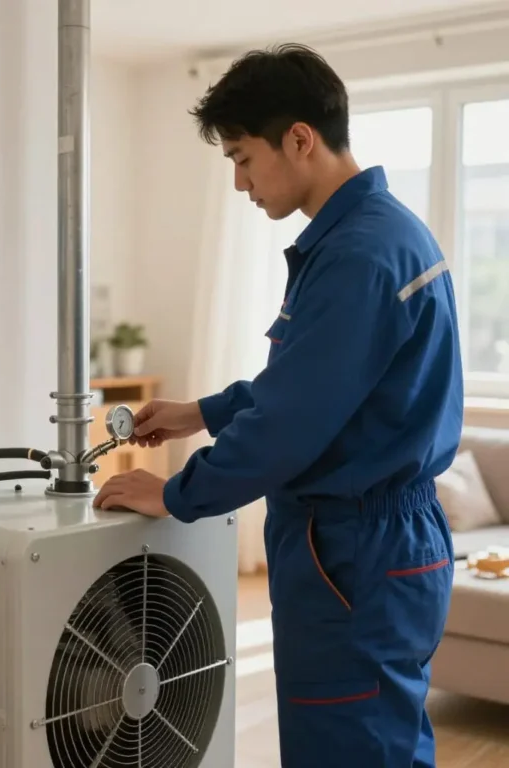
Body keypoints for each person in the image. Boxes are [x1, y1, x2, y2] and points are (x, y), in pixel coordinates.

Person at [93, 43, 463, 767]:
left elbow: (291, 424)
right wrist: (203, 411)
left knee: (351, 749)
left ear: (299, 139)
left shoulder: (357, 254)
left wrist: (175, 492)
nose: (239, 182)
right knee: (381, 738)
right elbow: (316, 386)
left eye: (242, 158)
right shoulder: (380, 234)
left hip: (356, 548)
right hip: (380, 542)